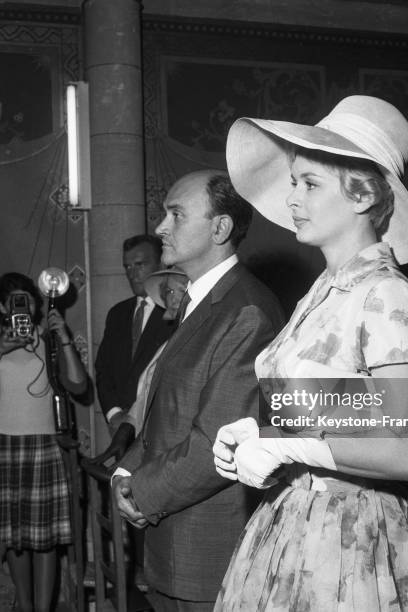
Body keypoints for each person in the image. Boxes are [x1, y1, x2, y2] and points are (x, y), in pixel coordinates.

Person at [213, 96, 408, 610]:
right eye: (293, 181)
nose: (292, 197)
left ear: (363, 194)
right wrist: (263, 429)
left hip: (353, 537)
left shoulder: (386, 296)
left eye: (310, 183)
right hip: (293, 522)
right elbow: (350, 409)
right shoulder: (322, 293)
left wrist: (290, 447)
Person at [113, 170, 285, 611]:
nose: (159, 228)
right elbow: (165, 410)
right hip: (174, 546)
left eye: (175, 214)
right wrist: (127, 470)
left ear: (220, 228)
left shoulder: (245, 309)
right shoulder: (201, 302)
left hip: (209, 555)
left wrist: (141, 493)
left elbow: (216, 443)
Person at [0, 272, 86, 612]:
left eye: (28, 298)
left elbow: (78, 386)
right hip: (0, 446)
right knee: (14, 540)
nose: (24, 305)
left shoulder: (48, 340)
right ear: (3, 307)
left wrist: (62, 335)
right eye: (15, 300)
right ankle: (26, 604)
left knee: (45, 540)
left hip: (44, 447)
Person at [93, 268, 189, 463]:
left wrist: (270, 436)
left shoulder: (245, 313)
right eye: (168, 292)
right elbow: (146, 391)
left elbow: (269, 379)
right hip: (164, 452)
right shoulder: (172, 342)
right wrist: (125, 431)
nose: (172, 299)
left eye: (180, 290)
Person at [94, 234, 174, 429]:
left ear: (161, 264)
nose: (132, 273)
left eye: (139, 265)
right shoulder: (117, 313)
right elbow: (103, 370)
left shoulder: (176, 311)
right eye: (127, 267)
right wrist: (114, 414)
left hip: (160, 424)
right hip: (120, 428)